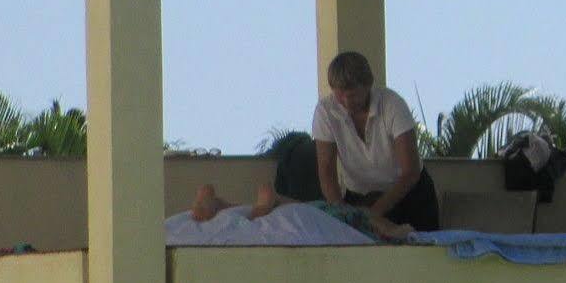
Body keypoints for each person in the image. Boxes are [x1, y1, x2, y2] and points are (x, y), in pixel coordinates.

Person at [310, 51, 441, 230]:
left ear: (368, 84)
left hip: (408, 195)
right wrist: (343, 215)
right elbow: (326, 172)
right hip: (359, 196)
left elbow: (410, 171)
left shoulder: (392, 105)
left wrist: (372, 214)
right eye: (340, 95)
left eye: (353, 95)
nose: (347, 102)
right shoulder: (325, 111)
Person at [185, 180, 415, 242]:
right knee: (276, 207)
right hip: (325, 214)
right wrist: (403, 232)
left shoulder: (348, 213)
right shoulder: (361, 215)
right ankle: (265, 202)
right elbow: (397, 231)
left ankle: (218, 203)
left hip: (316, 210)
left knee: (271, 208)